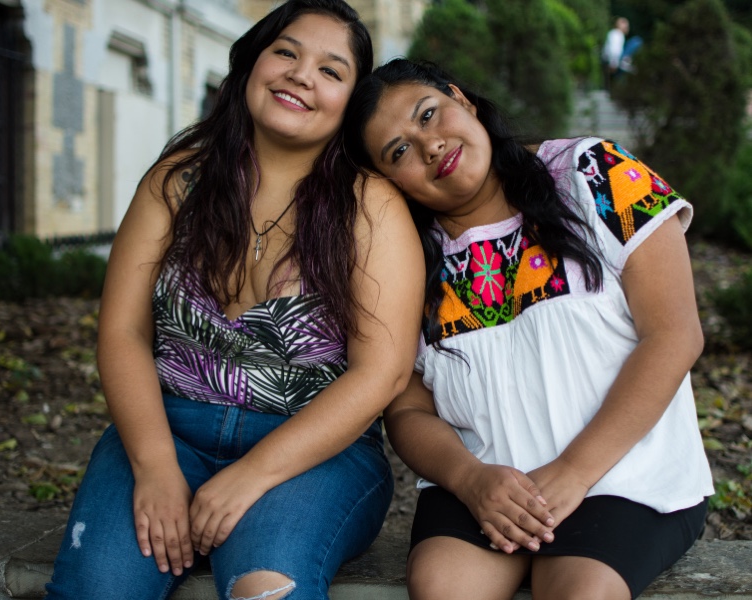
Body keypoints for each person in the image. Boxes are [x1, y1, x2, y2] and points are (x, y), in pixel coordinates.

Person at [44, 3, 424, 599]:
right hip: (167, 429)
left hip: (313, 453)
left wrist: (252, 474)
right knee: (98, 585)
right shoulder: (176, 181)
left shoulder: (369, 206)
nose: (301, 75)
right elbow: (122, 332)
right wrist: (154, 466)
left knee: (265, 588)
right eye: (286, 52)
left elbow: (384, 371)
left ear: (349, 104)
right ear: (252, 62)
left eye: (331, 71)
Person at [343, 59, 713, 600]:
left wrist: (573, 471)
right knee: (441, 586)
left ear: (462, 99)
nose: (429, 146)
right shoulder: (403, 261)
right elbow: (407, 410)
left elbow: (675, 334)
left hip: (624, 475)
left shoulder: (590, 172)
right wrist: (470, 480)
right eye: (398, 150)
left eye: (430, 114)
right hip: (482, 482)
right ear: (386, 180)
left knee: (577, 592)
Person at [602, 17, 629, 86]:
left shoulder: (614, 33)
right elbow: (614, 50)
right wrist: (613, 63)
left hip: (610, 60)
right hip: (611, 61)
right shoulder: (617, 35)